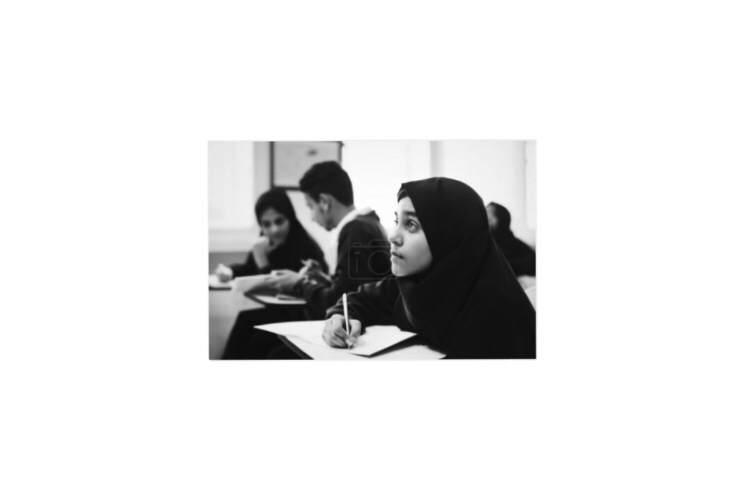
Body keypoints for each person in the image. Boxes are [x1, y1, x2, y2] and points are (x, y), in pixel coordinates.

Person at [322, 177, 536, 359]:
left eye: (411, 225)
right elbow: (362, 299)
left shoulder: (496, 317)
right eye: (397, 221)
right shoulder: (416, 284)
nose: (392, 236)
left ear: (449, 237)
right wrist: (341, 318)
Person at [222, 161, 391, 359]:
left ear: (324, 202)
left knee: (272, 352)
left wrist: (299, 283)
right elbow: (354, 287)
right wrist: (323, 279)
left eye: (310, 206)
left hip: (362, 335)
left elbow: (341, 302)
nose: (311, 216)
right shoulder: (367, 224)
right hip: (366, 327)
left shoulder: (355, 230)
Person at [214, 189, 328, 281]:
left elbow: (279, 286)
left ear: (290, 219)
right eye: (266, 224)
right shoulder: (265, 243)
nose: (274, 230)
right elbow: (249, 269)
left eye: (279, 221)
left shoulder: (307, 249)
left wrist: (261, 258)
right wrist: (230, 271)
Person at [486, 202, 536, 278]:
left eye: (489, 213)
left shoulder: (510, 244)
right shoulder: (486, 242)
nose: (485, 216)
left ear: (501, 219)